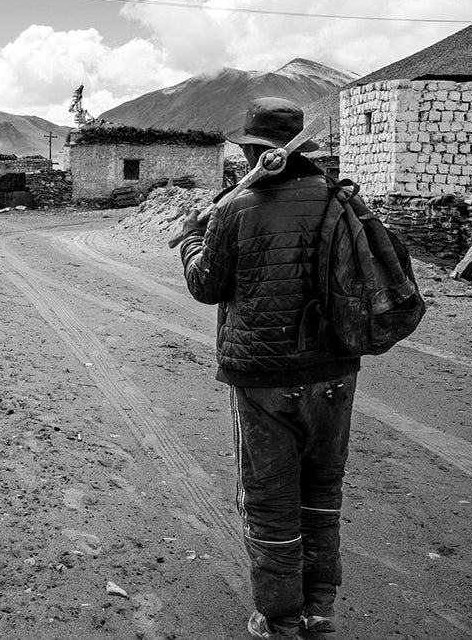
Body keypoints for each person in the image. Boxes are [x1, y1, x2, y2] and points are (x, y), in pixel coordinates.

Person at [177, 97, 361, 639]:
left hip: (263, 377)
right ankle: (320, 609)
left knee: (271, 501)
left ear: (256, 149)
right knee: (322, 491)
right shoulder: (338, 199)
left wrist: (191, 239)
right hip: (334, 372)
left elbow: (206, 285)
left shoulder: (238, 207)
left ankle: (281, 619)